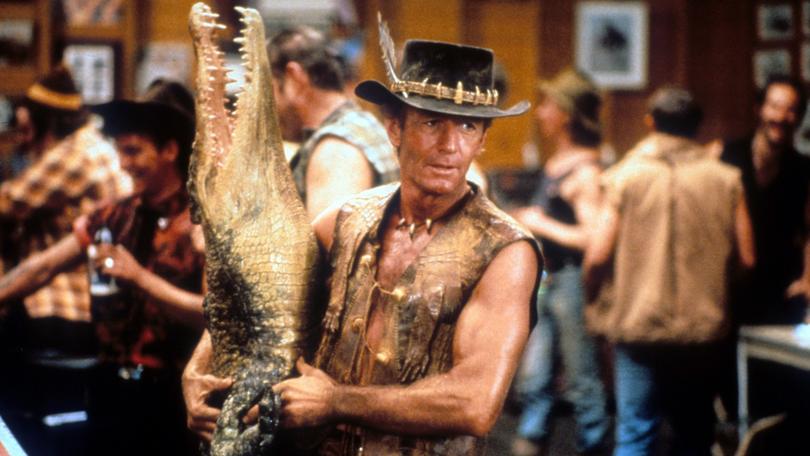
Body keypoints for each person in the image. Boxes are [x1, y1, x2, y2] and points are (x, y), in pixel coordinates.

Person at [183, 35, 543, 455]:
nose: (450, 145)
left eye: (468, 126)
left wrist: (336, 401)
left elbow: (475, 403)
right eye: (431, 122)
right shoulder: (347, 218)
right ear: (395, 127)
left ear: (482, 140)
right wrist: (196, 370)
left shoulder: (505, 250)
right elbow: (261, 287)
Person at [0, 79, 205, 455]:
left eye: (133, 152)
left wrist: (139, 278)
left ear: (169, 151)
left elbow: (212, 317)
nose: (124, 164)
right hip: (111, 390)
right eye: (120, 152)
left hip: (177, 400)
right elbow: (42, 268)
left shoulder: (203, 223)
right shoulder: (115, 215)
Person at [583, 87, 755, 456]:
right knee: (694, 433)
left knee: (634, 431)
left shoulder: (624, 176)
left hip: (637, 326)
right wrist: (718, 290)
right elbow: (748, 259)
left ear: (650, 122)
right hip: (702, 330)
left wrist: (593, 299)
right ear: (697, 127)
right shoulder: (726, 179)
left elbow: (596, 256)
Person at [509, 68, 609, 456]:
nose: (541, 112)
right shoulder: (561, 163)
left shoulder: (585, 172)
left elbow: (594, 238)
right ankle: (530, 443)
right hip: (548, 280)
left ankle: (593, 445)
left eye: (549, 104)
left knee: (582, 381)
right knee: (533, 381)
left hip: (570, 284)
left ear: (566, 114)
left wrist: (540, 222)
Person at [0, 66, 131, 342]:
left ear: (43, 122)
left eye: (27, 128)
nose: (23, 138)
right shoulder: (91, 142)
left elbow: (8, 202)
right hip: (98, 301)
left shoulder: (74, 154)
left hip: (66, 304)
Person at [269, 25, 399, 219]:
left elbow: (335, 246)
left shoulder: (336, 150)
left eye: (268, 88)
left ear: (294, 78)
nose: (269, 105)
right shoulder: (361, 123)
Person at [721, 75, 810, 326]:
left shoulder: (804, 170)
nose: (781, 117)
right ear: (759, 109)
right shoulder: (725, 157)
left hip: (782, 293)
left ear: (800, 118)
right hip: (730, 289)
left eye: (791, 110)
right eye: (774, 106)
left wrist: (808, 280)